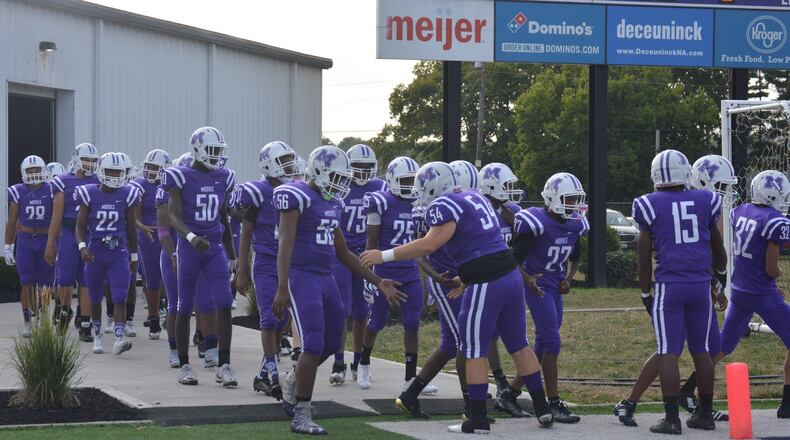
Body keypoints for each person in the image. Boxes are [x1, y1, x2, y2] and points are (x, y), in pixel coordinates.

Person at [361, 161, 554, 434]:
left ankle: (477, 419)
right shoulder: (475, 196)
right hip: (509, 275)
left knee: (473, 349)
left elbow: (430, 243)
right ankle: (543, 409)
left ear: (433, 186)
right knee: (519, 345)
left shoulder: (443, 206)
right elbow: (480, 242)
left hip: (487, 281)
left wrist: (384, 255)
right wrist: (465, 276)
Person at [272, 145, 405, 435]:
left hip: (326, 275)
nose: (340, 183)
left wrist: (376, 280)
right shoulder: (297, 196)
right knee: (314, 344)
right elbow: (285, 244)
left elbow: (343, 253)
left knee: (333, 343)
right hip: (301, 277)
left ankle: (292, 381)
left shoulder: (333, 202)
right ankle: (301, 412)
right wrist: (282, 286)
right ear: (318, 171)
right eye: (335, 176)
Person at [614, 154, 735, 427]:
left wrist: (645, 293)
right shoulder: (706, 199)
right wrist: (719, 279)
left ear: (656, 175)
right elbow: (719, 250)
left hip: (670, 286)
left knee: (668, 350)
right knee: (702, 351)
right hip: (699, 286)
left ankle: (671, 419)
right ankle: (704, 414)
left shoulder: (648, 204)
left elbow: (644, 260)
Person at [502, 172, 588, 424]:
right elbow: (512, 258)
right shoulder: (535, 222)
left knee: (543, 342)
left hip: (553, 282)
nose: (573, 205)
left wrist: (569, 278)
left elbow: (576, 258)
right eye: (568, 199)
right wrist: (527, 277)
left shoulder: (575, 223)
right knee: (552, 341)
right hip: (535, 282)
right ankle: (554, 402)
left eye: (576, 199)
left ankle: (511, 392)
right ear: (552, 198)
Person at [163, 126, 237, 386]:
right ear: (197, 149)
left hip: (214, 247)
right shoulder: (180, 176)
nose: (217, 156)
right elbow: (173, 216)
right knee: (184, 306)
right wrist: (192, 238)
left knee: (225, 304)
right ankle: (184, 364)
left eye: (219, 150)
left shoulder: (224, 177)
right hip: (189, 247)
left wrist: (233, 256)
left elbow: (223, 217)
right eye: (212, 150)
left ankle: (224, 364)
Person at [357, 156, 433, 394]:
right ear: (391, 179)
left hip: (409, 271)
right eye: (406, 180)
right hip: (385, 272)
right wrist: (371, 278)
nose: (411, 185)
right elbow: (371, 243)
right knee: (377, 321)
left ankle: (410, 378)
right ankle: (364, 361)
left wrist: (430, 278)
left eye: (414, 180)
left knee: (412, 323)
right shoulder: (380, 202)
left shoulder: (420, 204)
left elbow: (424, 244)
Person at [718, 170, 790, 419]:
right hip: (762, 291)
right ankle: (787, 403)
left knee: (723, 345)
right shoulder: (775, 221)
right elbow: (771, 268)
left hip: (740, 289)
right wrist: (778, 274)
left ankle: (692, 388)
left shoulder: (740, 211)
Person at [236, 140, 298, 399]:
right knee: (269, 319)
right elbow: (245, 234)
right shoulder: (256, 191)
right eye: (283, 161)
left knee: (282, 319)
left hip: (290, 263)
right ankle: (271, 367)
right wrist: (242, 269)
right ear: (269, 164)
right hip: (265, 262)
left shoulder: (296, 190)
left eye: (289, 160)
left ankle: (264, 370)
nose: (289, 166)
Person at [329, 143, 386, 385]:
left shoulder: (380, 187)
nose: (362, 172)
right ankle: (338, 361)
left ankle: (359, 360)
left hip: (366, 254)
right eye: (358, 167)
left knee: (362, 311)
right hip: (341, 254)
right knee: (342, 310)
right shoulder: (339, 185)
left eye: (367, 167)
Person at [75, 152, 139, 355]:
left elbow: (131, 229)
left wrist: (134, 256)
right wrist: (82, 247)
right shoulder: (89, 192)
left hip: (118, 250)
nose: (114, 175)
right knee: (95, 297)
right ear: (101, 171)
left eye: (118, 172)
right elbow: (80, 226)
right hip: (95, 250)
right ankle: (97, 335)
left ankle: (119, 338)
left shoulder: (127, 193)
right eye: (111, 171)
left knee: (119, 295)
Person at [46, 143, 100, 341]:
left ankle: (85, 323)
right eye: (87, 159)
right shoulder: (63, 181)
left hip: (90, 235)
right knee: (66, 280)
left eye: (94, 160)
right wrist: (50, 244)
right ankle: (63, 311)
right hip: (68, 234)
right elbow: (56, 216)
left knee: (87, 281)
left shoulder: (99, 181)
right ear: (76, 159)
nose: (90, 164)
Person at [4, 156, 55, 337]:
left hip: (45, 239)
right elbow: (11, 222)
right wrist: (8, 246)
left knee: (45, 284)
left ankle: (42, 315)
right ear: (24, 173)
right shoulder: (18, 191)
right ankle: (28, 320)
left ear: (43, 170)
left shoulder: (51, 190)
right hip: (25, 240)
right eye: (30, 171)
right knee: (26, 282)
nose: (34, 174)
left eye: (37, 170)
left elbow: (57, 220)